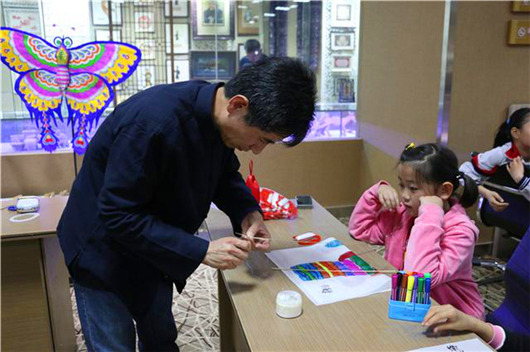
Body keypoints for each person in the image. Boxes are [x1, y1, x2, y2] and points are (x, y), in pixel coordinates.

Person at [57, 57, 317, 351]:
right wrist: (202, 250)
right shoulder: (152, 123)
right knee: (114, 343)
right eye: (262, 139)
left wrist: (247, 212)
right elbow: (118, 214)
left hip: (154, 242)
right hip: (101, 247)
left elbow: (223, 174)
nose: (258, 149)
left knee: (160, 336)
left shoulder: (217, 119)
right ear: (238, 105)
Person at [349, 143, 484, 319]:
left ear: (444, 190)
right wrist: (376, 192)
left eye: (413, 188)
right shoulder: (403, 214)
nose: (404, 195)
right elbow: (360, 229)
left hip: (453, 318)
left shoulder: (461, 231)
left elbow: (418, 277)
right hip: (408, 307)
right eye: (401, 185)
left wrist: (430, 214)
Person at [422, 228, 530, 351]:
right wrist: (475, 325)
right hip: (505, 335)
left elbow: (421, 273)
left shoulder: (460, 228)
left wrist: (431, 211)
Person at [460, 108, 530, 211]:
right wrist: (486, 193)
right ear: (515, 132)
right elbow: (463, 174)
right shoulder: (501, 154)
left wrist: (520, 179)